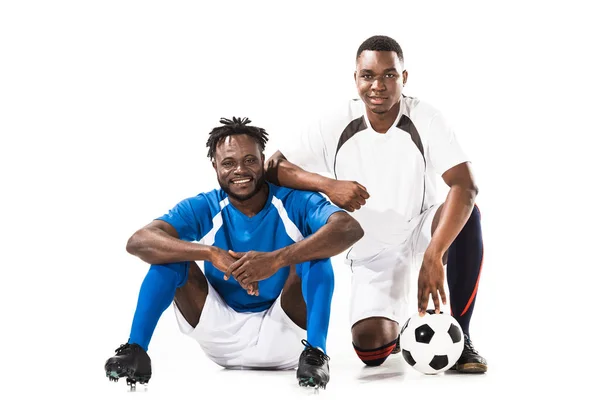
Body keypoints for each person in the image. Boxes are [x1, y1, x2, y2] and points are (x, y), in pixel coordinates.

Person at [265, 35, 487, 373]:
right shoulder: (338, 120)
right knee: (372, 351)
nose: (378, 85)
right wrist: (329, 185)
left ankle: (462, 336)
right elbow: (274, 167)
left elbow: (466, 185)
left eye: (389, 75)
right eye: (368, 75)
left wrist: (434, 255)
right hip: (371, 254)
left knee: (468, 215)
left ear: (404, 77)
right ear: (355, 79)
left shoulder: (425, 118)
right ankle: (397, 323)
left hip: (422, 231)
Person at [104, 117, 364, 389]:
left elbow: (348, 228)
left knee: (314, 253)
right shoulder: (205, 206)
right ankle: (135, 351)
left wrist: (277, 259)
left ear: (264, 161)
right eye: (228, 162)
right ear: (215, 166)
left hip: (285, 335)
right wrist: (210, 253)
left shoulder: (292, 200)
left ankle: (316, 354)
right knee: (169, 258)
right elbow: (139, 241)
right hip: (221, 335)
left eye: (250, 160)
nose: (240, 169)